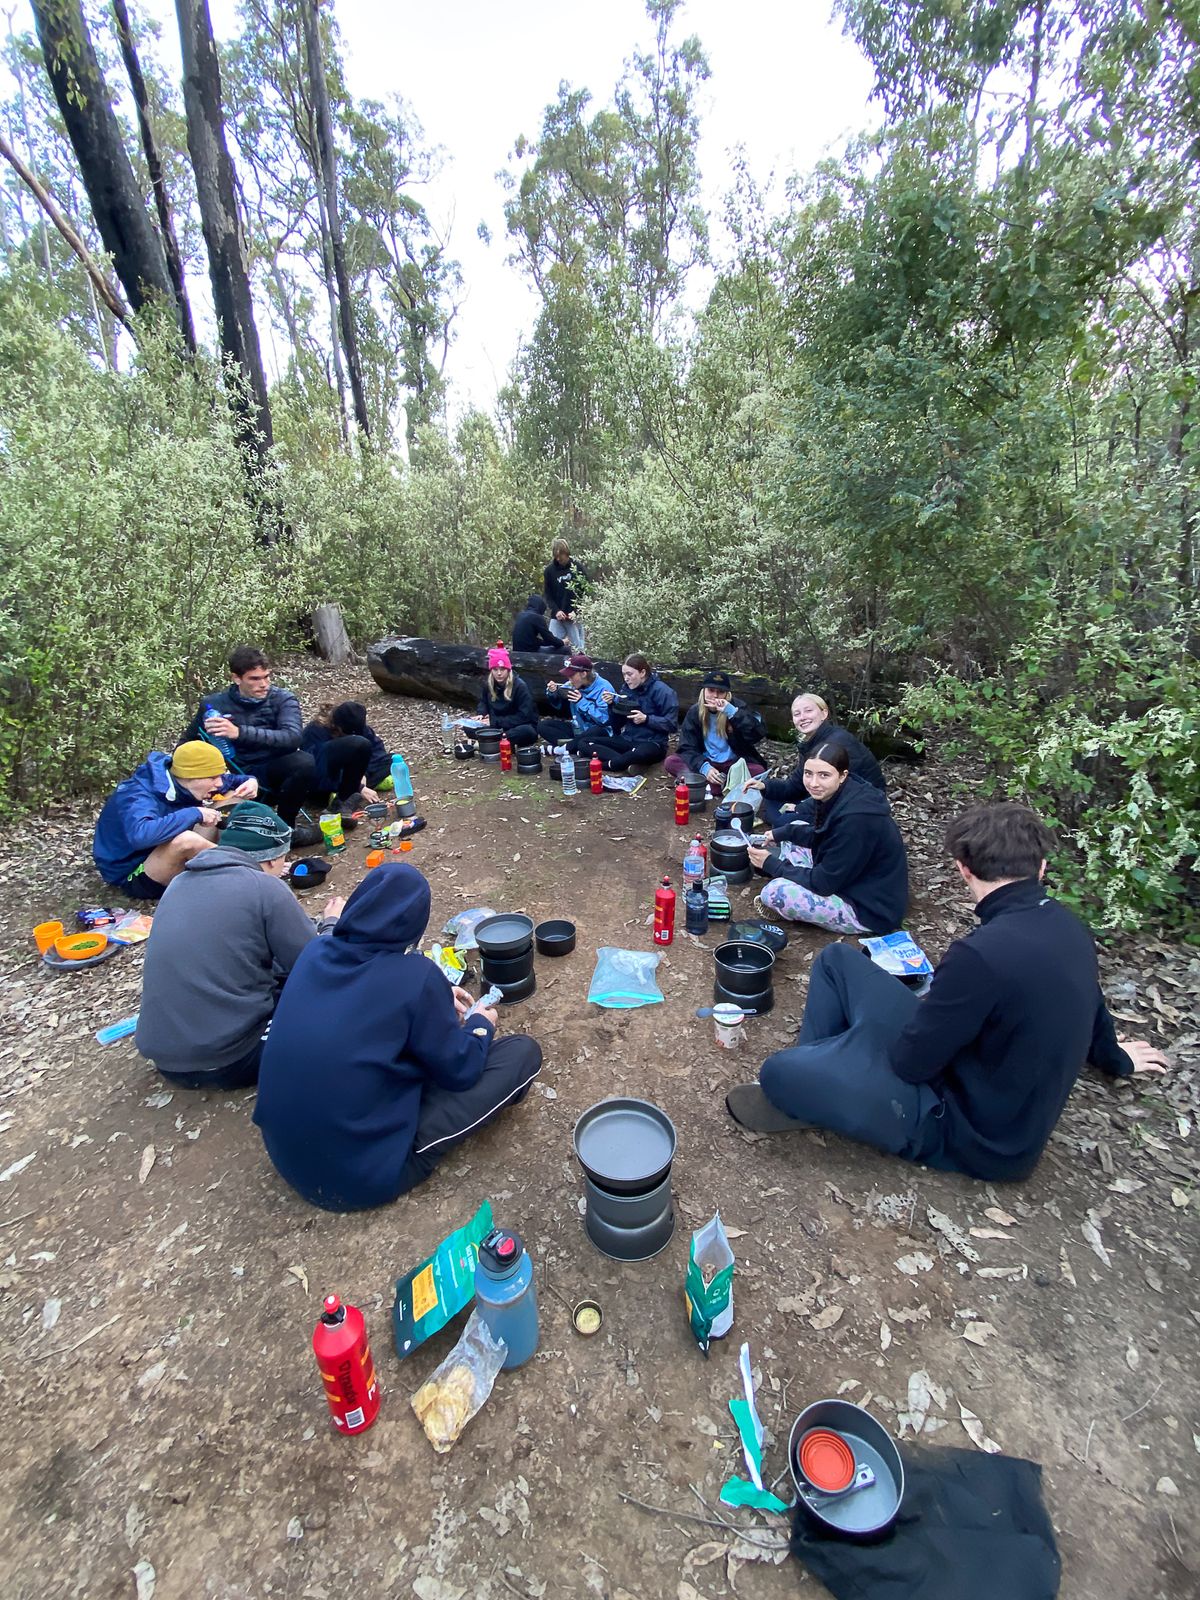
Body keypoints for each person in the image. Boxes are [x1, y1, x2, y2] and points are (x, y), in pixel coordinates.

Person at [726, 804, 1171, 1181]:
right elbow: (1093, 1005)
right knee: (836, 961)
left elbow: (911, 1063)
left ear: (963, 869)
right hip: (970, 1076)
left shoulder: (980, 955)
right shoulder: (1068, 926)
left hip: (968, 1132)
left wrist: (877, 1039)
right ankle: (824, 1074)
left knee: (779, 1073)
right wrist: (1115, 1057)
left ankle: (815, 1085)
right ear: (1041, 868)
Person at [253, 861, 543, 1211]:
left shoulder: (314, 951)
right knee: (522, 1053)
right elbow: (461, 1070)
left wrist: (434, 998)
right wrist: (481, 1024)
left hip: (287, 1153)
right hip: (357, 1176)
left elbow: (363, 1006)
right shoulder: (415, 976)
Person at [134, 801, 344, 1089]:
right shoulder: (265, 887)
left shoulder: (178, 884)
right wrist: (331, 925)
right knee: (338, 1005)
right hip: (230, 1060)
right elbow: (318, 967)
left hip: (166, 1060)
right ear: (271, 859)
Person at [746, 742, 908, 934]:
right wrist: (779, 833)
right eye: (808, 773)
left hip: (867, 908)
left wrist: (773, 865)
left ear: (842, 775)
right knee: (794, 828)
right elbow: (823, 835)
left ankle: (792, 896)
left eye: (824, 775)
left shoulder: (856, 820)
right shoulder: (841, 794)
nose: (813, 783)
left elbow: (823, 883)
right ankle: (796, 878)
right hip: (847, 876)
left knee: (774, 892)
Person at [92, 740, 257, 900]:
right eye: (213, 778)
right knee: (187, 841)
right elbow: (140, 836)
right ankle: (251, 872)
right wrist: (194, 813)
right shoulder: (138, 796)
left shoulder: (183, 779)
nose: (219, 783)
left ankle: (232, 861)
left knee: (234, 795)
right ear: (191, 776)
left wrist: (250, 781)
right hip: (134, 872)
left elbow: (234, 782)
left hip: (165, 847)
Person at [183, 646, 317, 831]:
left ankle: (286, 828)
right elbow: (188, 743)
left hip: (278, 770)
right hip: (239, 775)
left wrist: (239, 733)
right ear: (237, 678)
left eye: (266, 677)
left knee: (303, 761)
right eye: (255, 679)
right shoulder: (214, 705)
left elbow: (293, 737)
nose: (264, 684)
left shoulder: (283, 699)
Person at [748, 693, 886, 828]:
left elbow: (843, 793)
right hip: (824, 796)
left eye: (808, 711)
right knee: (770, 800)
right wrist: (764, 785)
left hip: (858, 807)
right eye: (797, 714)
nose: (803, 717)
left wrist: (801, 808)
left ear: (824, 714)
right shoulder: (812, 742)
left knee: (784, 821)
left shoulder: (836, 743)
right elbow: (796, 785)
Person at [570, 653, 679, 770]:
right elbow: (617, 725)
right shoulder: (626, 690)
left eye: (629, 674)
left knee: (641, 752)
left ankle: (609, 764)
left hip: (652, 743)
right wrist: (611, 705)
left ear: (642, 673)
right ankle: (627, 762)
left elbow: (671, 725)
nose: (626, 678)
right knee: (584, 743)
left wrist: (646, 719)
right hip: (627, 739)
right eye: (624, 674)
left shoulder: (663, 691)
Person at [665, 671, 766, 796]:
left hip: (733, 764)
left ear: (727, 694)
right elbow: (687, 746)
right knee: (671, 762)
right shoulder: (695, 712)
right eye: (711, 690)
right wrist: (704, 767)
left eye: (721, 692)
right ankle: (724, 784)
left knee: (758, 770)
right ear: (704, 691)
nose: (715, 696)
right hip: (707, 760)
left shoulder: (737, 707)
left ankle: (703, 783)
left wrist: (732, 713)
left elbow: (757, 734)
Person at [301, 700, 387, 809]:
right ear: (338, 727)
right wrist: (358, 786)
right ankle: (345, 796)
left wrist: (363, 774)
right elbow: (317, 769)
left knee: (390, 761)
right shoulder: (315, 731)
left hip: (354, 774)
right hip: (327, 778)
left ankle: (350, 794)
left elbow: (377, 751)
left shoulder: (357, 725)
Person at [536, 654, 616, 749]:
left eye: (572, 676)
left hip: (599, 731)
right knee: (543, 725)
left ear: (583, 674)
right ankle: (574, 745)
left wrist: (581, 701)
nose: (569, 680)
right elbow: (557, 704)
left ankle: (567, 747)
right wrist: (553, 692)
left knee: (597, 731)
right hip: (578, 728)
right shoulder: (572, 685)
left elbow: (604, 720)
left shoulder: (604, 688)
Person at [474, 645, 539, 747]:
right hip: (497, 726)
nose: (499, 673)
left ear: (508, 670)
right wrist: (481, 713)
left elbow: (524, 716)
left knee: (527, 731)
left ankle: (492, 741)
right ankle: (495, 740)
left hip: (517, 725)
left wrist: (495, 722)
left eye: (502, 669)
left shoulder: (520, 686)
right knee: (469, 727)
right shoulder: (489, 684)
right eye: (495, 670)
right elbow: (483, 702)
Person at [543, 538, 587, 651]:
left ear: (566, 553)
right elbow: (548, 595)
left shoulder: (577, 568)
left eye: (561, 557)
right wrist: (556, 610)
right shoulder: (549, 571)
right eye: (556, 557)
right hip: (557, 617)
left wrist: (576, 611)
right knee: (551, 647)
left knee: (578, 649)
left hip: (574, 617)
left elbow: (585, 592)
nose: (558, 559)